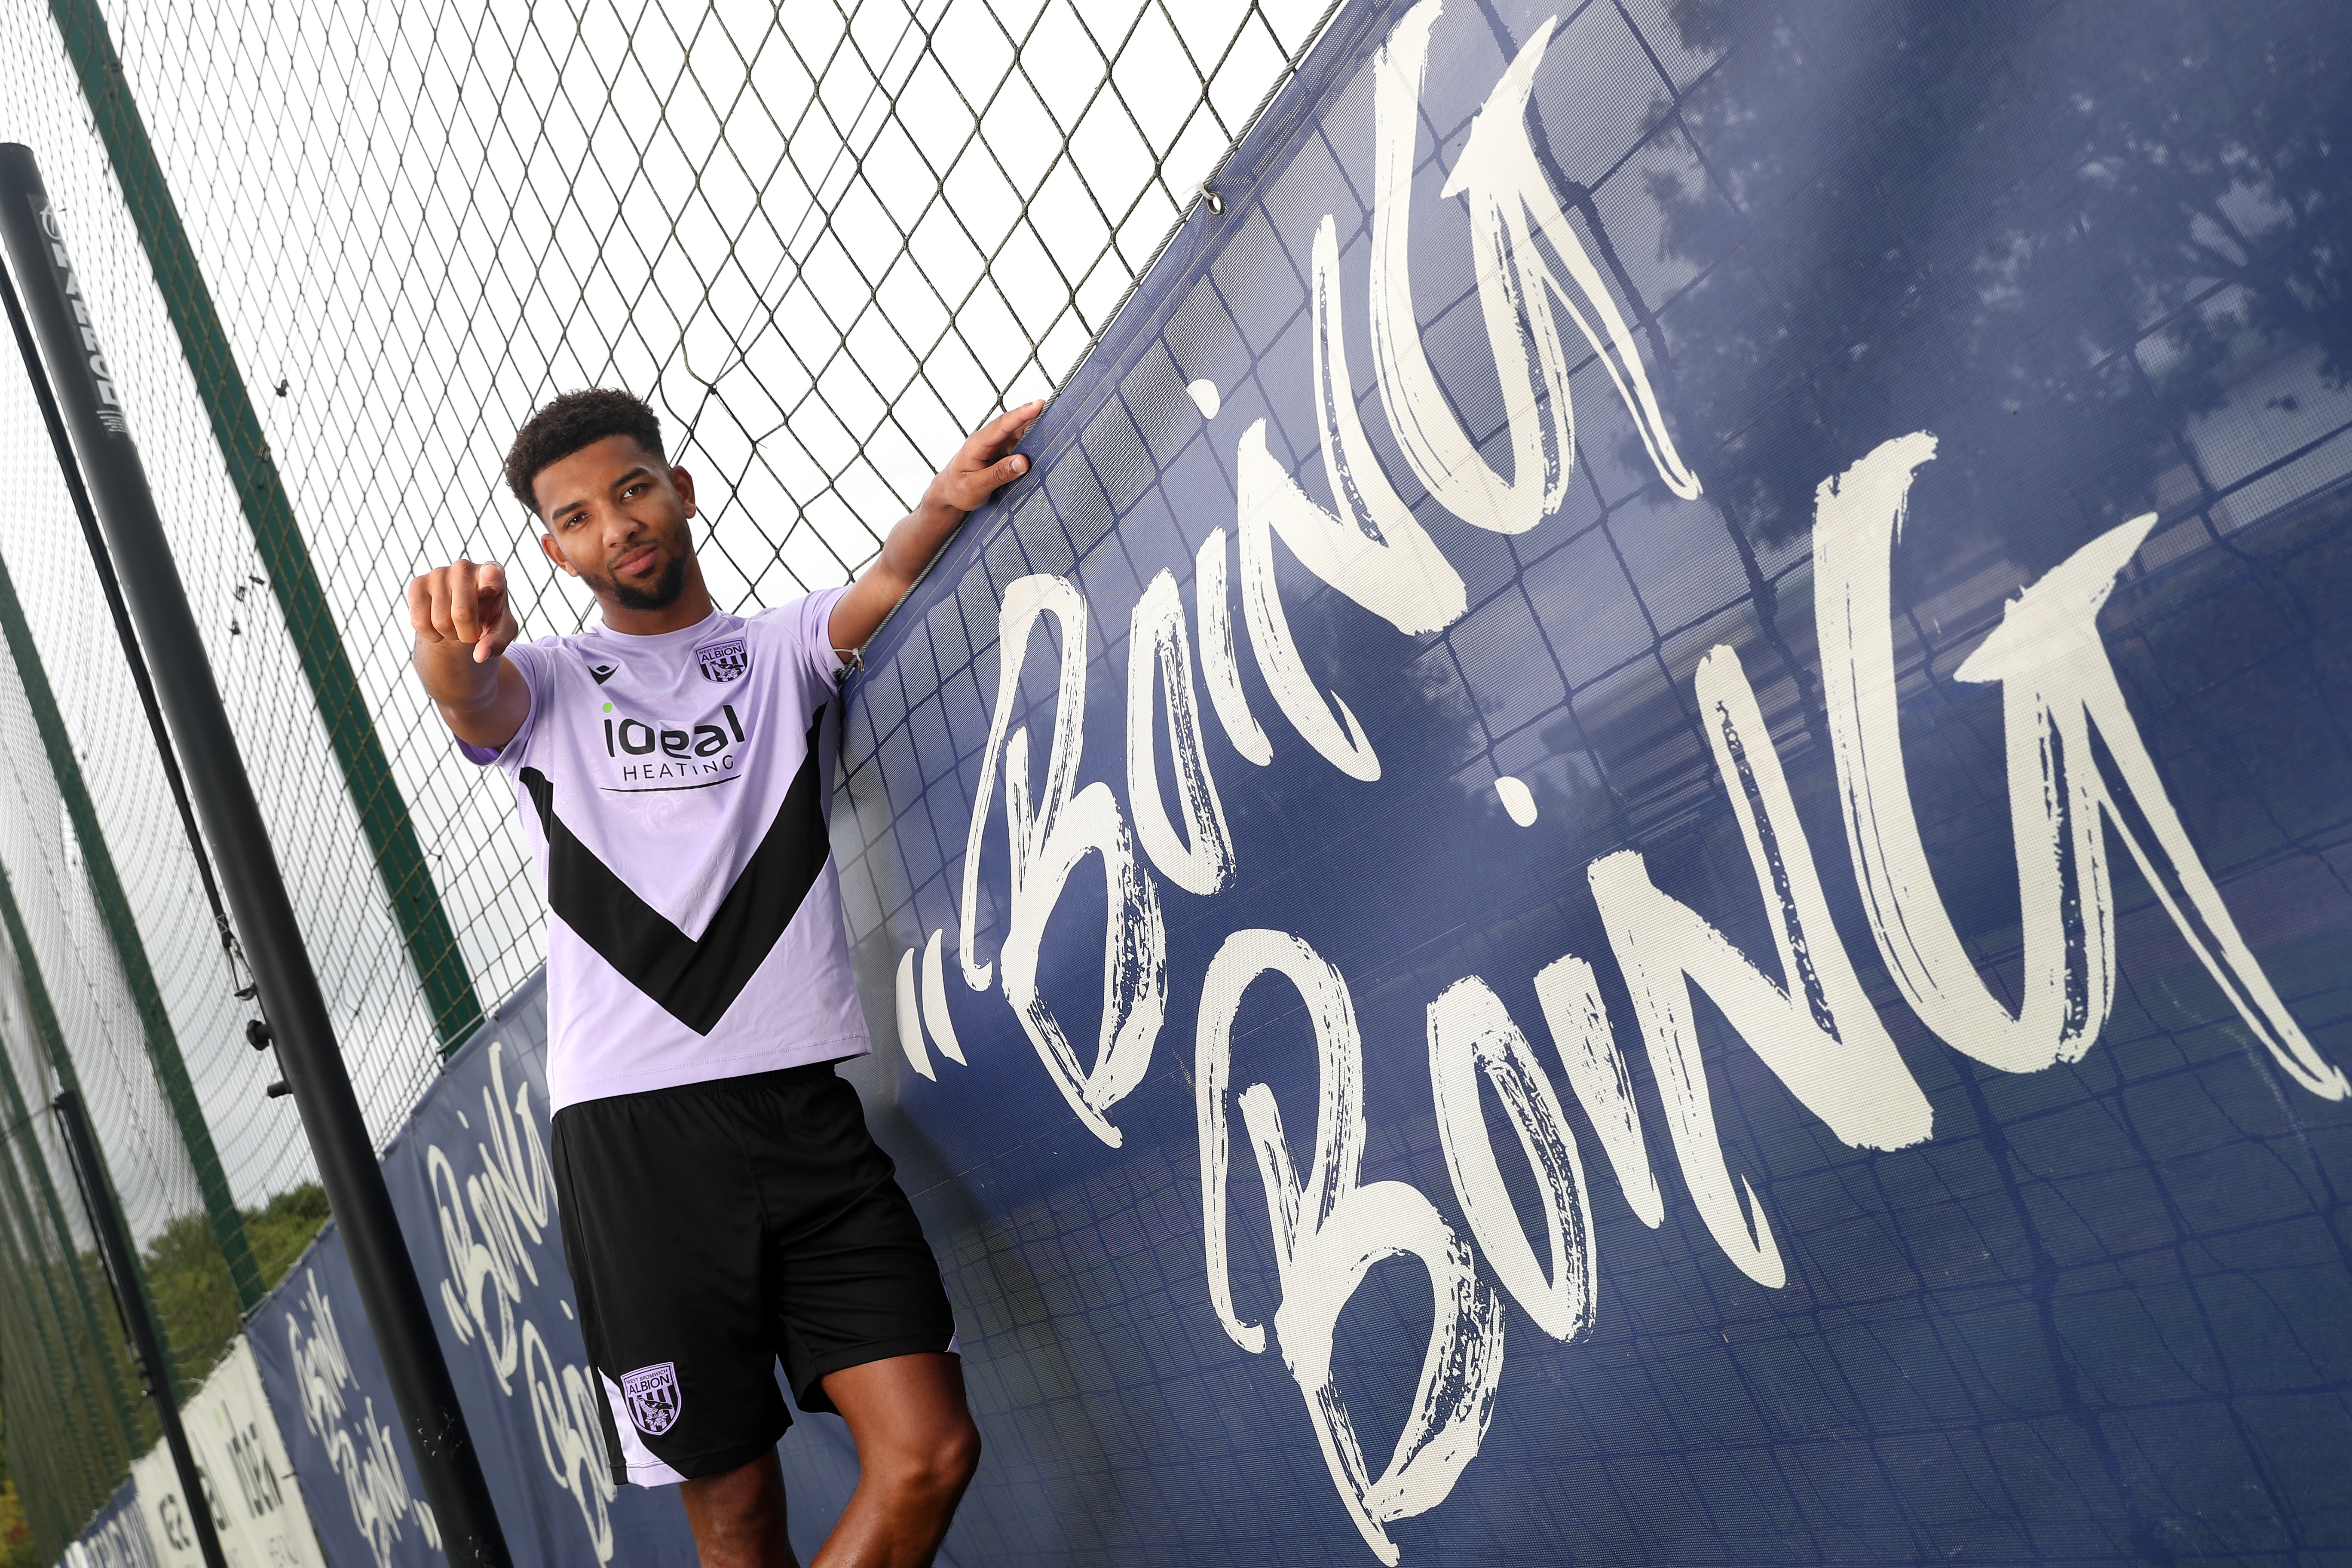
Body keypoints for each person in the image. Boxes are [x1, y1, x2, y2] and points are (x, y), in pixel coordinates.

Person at [407, 386, 1040, 1568]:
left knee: (928, 1455)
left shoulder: (778, 651)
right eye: (582, 516)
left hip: (806, 1120)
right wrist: (447, 645)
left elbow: (882, 593)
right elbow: (468, 695)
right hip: (636, 1144)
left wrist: (939, 506)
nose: (621, 525)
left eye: (635, 489)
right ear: (558, 552)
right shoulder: (545, 687)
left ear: (679, 491)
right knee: (738, 1522)